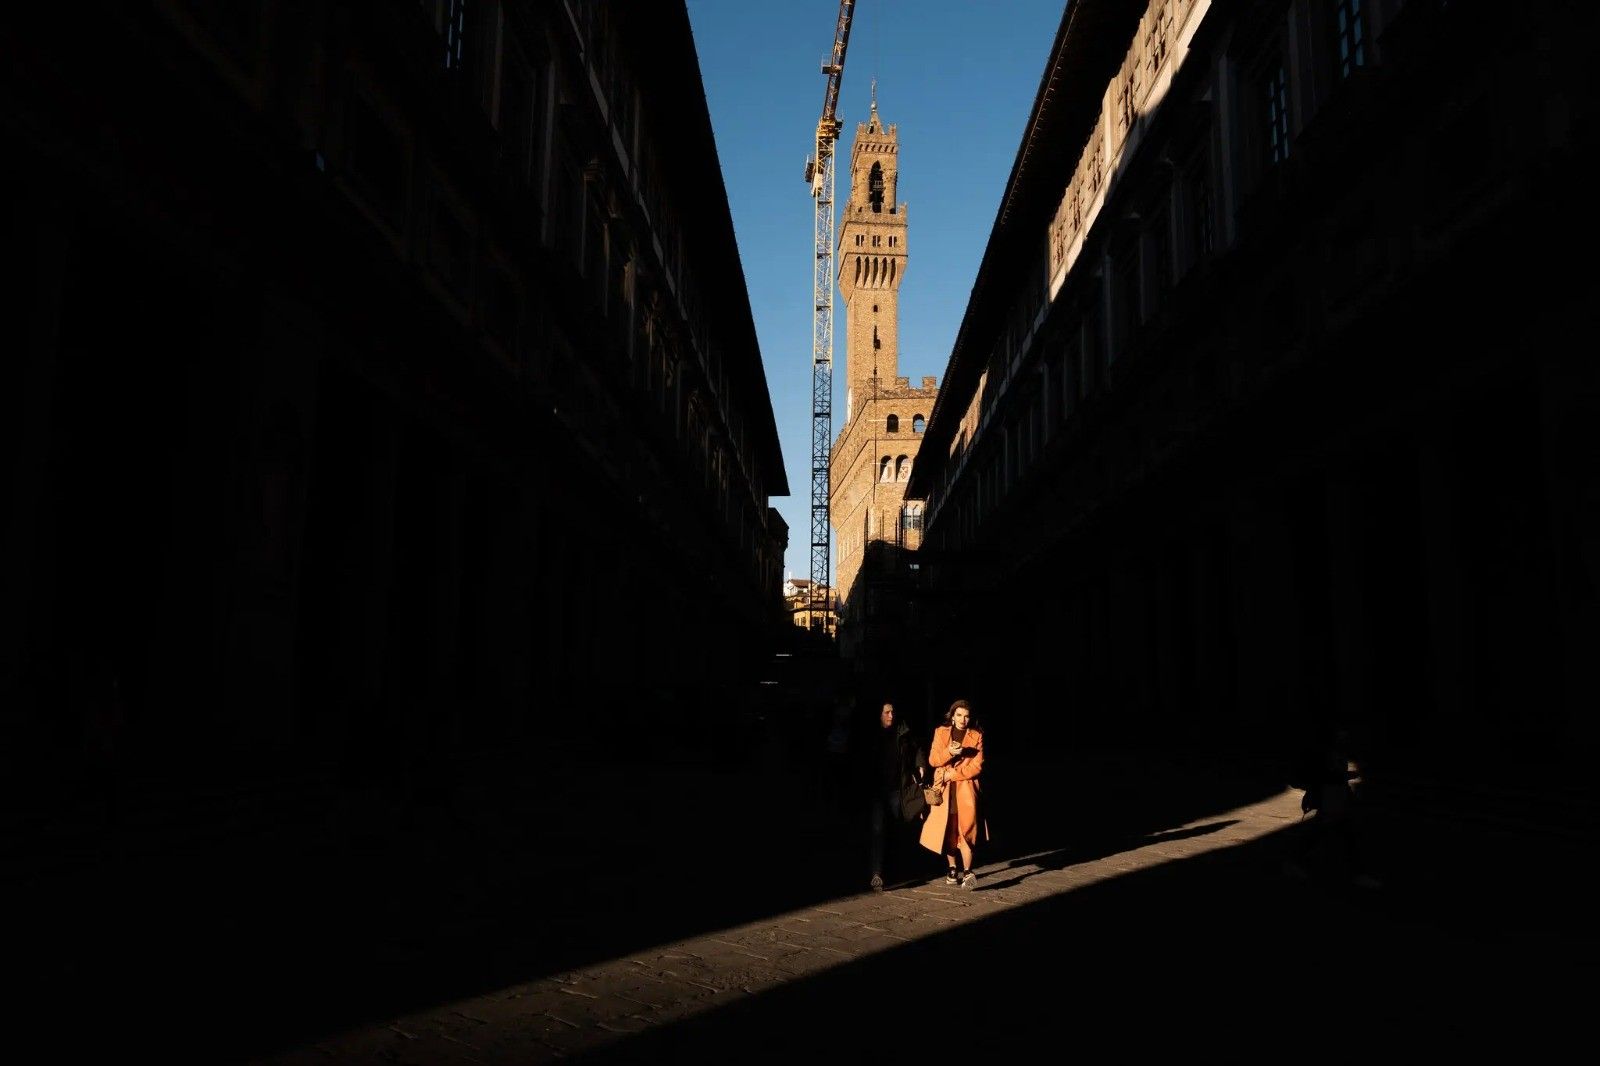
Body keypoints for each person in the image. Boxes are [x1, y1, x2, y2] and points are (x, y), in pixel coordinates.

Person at [858, 700, 927, 892]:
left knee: (896, 829)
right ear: (879, 714)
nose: (891, 716)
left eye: (893, 712)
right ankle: (876, 873)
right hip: (878, 791)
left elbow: (917, 749)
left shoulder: (902, 732)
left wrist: (920, 764)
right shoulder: (871, 735)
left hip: (898, 789)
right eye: (887, 712)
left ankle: (893, 869)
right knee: (878, 830)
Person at [920, 699, 988, 888]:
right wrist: (949, 752)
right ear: (952, 716)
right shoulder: (941, 733)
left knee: (967, 829)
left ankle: (967, 871)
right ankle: (952, 868)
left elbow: (977, 766)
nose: (962, 720)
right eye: (959, 715)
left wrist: (954, 773)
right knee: (949, 829)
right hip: (946, 790)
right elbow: (933, 760)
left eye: (966, 716)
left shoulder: (976, 735)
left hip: (966, 789)